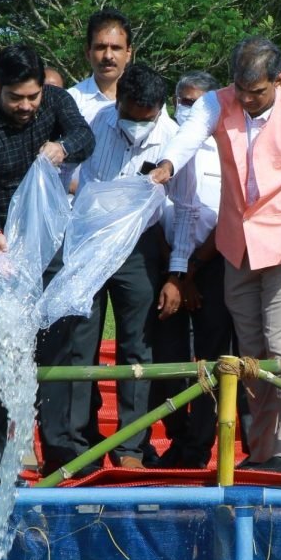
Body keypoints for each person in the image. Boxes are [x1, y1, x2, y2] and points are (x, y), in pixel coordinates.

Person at [152, 36, 281, 474]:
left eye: (256, 91)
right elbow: (187, 138)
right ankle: (259, 452)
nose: (246, 99)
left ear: (280, 81)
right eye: (240, 88)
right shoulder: (216, 103)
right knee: (251, 352)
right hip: (236, 248)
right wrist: (166, 165)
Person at [0, 43, 94, 486]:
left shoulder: (55, 101)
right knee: (2, 349)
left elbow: (85, 137)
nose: (26, 106)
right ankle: (0, 461)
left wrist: (63, 146)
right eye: (16, 97)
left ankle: (58, 452)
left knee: (56, 344)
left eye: (32, 96)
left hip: (49, 237)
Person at [55, 63, 198, 470]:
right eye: (130, 115)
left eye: (146, 117)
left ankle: (131, 447)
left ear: (160, 108)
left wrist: (176, 273)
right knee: (79, 344)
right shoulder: (94, 122)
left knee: (138, 348)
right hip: (89, 243)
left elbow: (186, 208)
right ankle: (79, 444)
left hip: (140, 247)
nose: (137, 125)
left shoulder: (174, 139)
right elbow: (64, 174)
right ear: (118, 102)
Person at [146, 70, 230, 469]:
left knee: (211, 360)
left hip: (211, 266)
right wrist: (173, 272)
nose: (188, 109)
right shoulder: (163, 148)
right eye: (183, 101)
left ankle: (198, 447)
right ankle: (176, 439)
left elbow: (229, 217)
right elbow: (150, 213)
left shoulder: (226, 151)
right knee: (168, 358)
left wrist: (191, 272)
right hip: (165, 268)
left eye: (197, 103)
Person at [67, 8, 132, 127]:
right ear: (88, 52)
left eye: (116, 48)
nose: (108, 56)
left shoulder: (148, 99)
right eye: (100, 47)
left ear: (128, 53)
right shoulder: (71, 101)